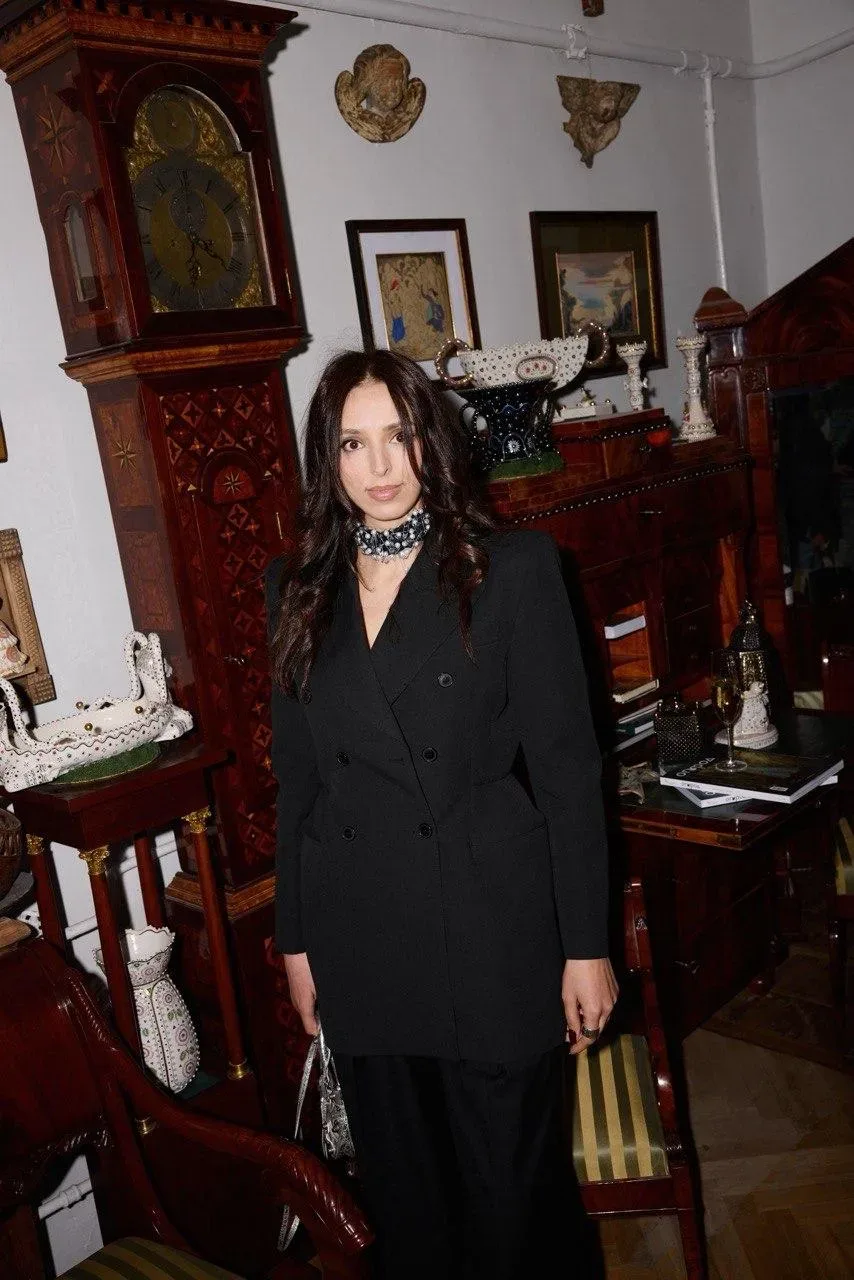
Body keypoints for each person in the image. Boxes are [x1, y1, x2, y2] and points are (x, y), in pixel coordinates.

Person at [267, 349, 617, 1279]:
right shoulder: (296, 587)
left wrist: (586, 946)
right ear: (327, 459)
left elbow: (569, 771)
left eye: (400, 436)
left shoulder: (511, 569)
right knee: (409, 1206)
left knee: (512, 1206)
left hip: (490, 930)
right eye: (353, 443)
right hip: (361, 937)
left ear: (435, 441)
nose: (380, 466)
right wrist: (295, 943)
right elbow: (297, 781)